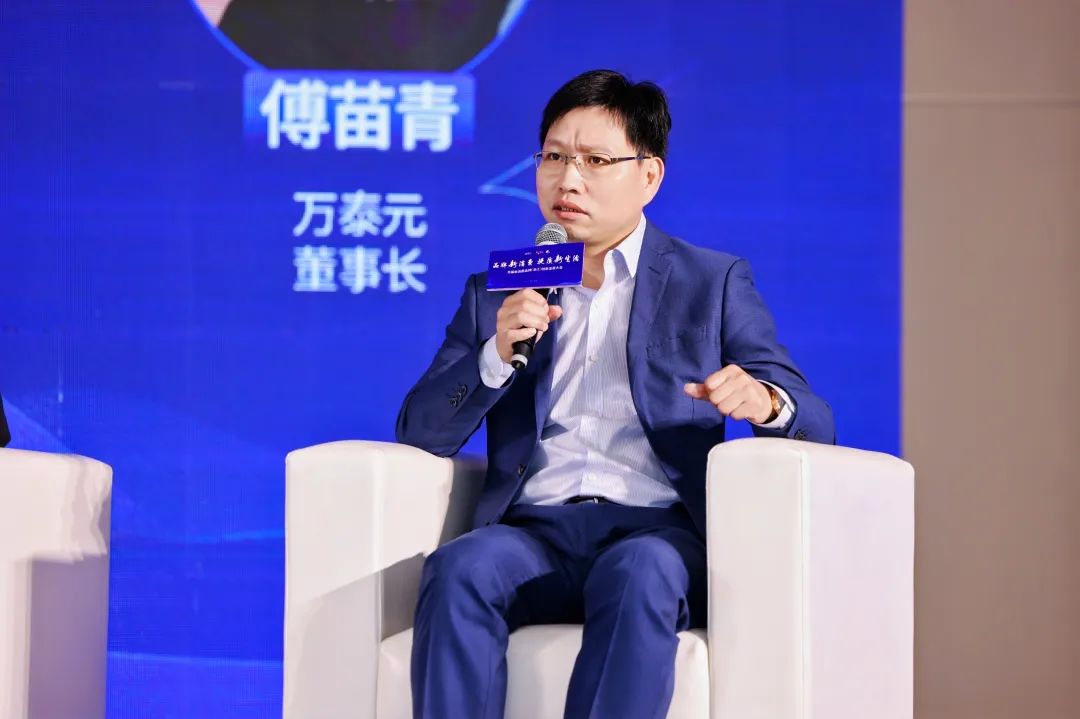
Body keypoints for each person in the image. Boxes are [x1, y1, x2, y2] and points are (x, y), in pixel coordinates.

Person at [396, 69, 835, 719]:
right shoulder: (498, 290)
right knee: (459, 569)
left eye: (595, 161)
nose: (567, 180)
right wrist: (494, 355)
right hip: (532, 534)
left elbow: (816, 422)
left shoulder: (709, 280)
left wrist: (765, 401)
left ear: (649, 176)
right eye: (553, 157)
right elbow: (420, 430)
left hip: (657, 533)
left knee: (638, 574)